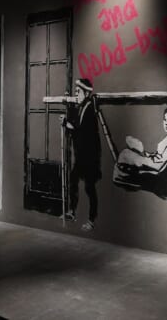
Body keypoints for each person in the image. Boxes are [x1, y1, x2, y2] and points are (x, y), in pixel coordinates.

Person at [61, 78, 101, 232]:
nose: (76, 94)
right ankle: (72, 211)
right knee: (73, 180)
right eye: (76, 92)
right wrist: (68, 108)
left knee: (89, 188)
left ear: (86, 93)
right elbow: (75, 122)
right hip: (82, 156)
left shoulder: (89, 109)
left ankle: (91, 220)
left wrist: (67, 124)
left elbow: (81, 130)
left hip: (90, 157)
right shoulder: (83, 106)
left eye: (78, 92)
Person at [113, 105, 167, 178]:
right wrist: (147, 154)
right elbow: (159, 156)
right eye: (164, 119)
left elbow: (162, 162)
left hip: (155, 165)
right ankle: (128, 164)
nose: (166, 123)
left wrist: (146, 158)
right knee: (129, 146)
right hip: (153, 161)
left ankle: (124, 169)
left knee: (125, 153)